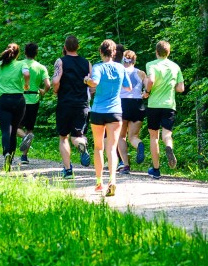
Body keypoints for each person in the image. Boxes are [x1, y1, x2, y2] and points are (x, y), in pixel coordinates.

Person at [86, 38, 131, 197]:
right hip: (115, 111)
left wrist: (87, 80)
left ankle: (99, 183)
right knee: (112, 148)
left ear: (100, 52)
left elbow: (94, 83)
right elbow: (128, 86)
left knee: (99, 147)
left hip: (98, 111)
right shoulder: (120, 68)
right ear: (114, 53)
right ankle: (113, 180)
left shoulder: (98, 67)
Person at [52, 35, 92, 178]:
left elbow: (56, 80)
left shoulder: (60, 61)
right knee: (77, 136)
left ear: (65, 47)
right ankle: (81, 145)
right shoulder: (87, 63)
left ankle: (68, 170)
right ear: (78, 47)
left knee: (63, 137)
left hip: (65, 103)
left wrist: (56, 89)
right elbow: (92, 85)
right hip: (82, 105)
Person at [143, 40, 185, 179]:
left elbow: (151, 80)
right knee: (167, 134)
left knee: (154, 136)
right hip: (169, 105)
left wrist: (147, 92)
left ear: (156, 52)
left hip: (154, 104)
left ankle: (156, 170)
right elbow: (180, 88)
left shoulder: (151, 65)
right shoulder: (175, 67)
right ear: (169, 52)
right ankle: (169, 147)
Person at [0, 43, 30, 172]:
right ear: (18, 54)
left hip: (4, 100)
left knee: (6, 130)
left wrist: (0, 81)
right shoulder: (21, 64)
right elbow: (26, 73)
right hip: (18, 100)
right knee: (15, 129)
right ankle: (10, 159)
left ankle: (6, 153)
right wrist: (26, 84)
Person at [17, 42, 51, 164]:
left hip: (20, 98)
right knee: (29, 129)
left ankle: (24, 139)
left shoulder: (19, 64)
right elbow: (48, 84)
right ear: (36, 53)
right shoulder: (41, 67)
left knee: (15, 126)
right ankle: (24, 157)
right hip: (34, 99)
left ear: (25, 52)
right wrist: (43, 91)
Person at [116, 49, 147, 174]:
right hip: (137, 104)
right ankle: (139, 144)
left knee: (121, 136)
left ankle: (126, 165)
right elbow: (149, 83)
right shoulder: (140, 73)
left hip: (122, 104)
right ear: (134, 60)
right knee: (133, 136)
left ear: (124, 60)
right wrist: (146, 93)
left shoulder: (119, 71)